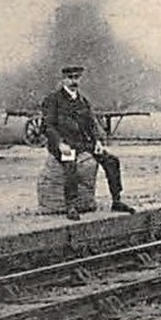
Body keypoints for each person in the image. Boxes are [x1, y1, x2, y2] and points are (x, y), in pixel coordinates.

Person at [40, 65, 136, 221]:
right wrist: (59, 144)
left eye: (76, 78)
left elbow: (91, 124)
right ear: (63, 80)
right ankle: (71, 205)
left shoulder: (83, 101)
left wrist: (97, 142)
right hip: (62, 144)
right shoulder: (53, 100)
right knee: (70, 163)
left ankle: (117, 200)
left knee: (112, 160)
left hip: (81, 143)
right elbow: (48, 127)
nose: (73, 81)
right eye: (70, 78)